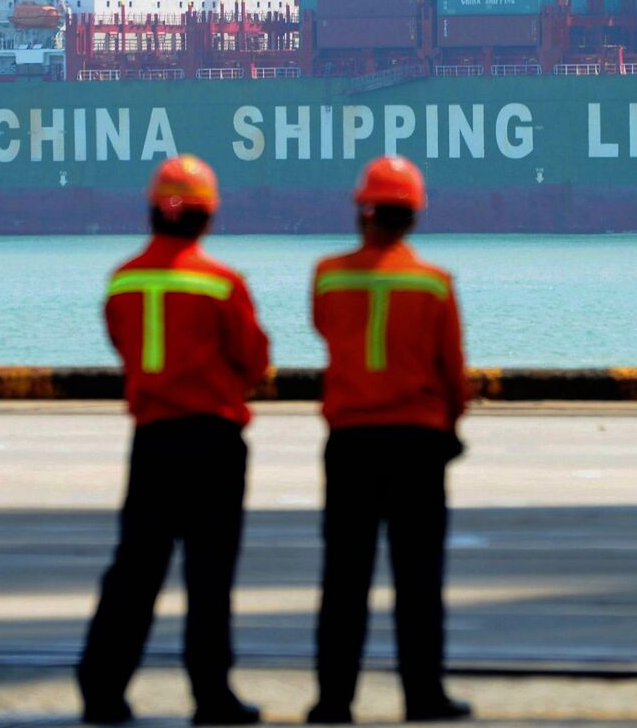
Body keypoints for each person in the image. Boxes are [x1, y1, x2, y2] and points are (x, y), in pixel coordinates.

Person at [78, 154, 269, 726]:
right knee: (209, 574)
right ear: (208, 216)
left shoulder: (124, 279)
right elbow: (254, 360)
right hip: (213, 441)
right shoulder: (220, 283)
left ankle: (102, 690)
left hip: (153, 440)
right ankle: (212, 696)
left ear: (152, 210)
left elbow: (118, 338)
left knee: (135, 568)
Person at [305, 156, 473, 724]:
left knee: (344, 580)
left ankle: (333, 701)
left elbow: (325, 328)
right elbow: (454, 374)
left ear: (362, 210)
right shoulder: (433, 285)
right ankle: (424, 696)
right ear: (414, 216)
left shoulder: (328, 275)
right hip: (417, 446)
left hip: (350, 444)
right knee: (419, 580)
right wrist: (450, 425)